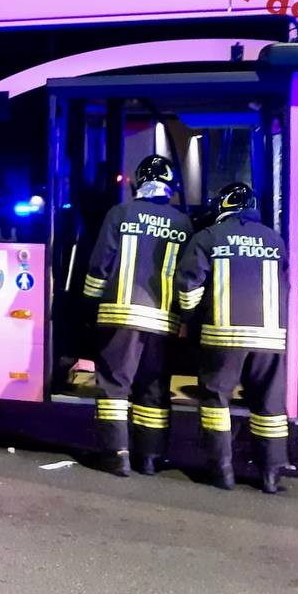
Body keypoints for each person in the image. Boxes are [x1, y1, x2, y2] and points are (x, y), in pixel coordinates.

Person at [175, 182, 290, 494]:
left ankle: (221, 471)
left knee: (215, 400)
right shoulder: (275, 240)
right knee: (268, 405)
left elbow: (188, 287)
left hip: (223, 336)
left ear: (223, 206)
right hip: (270, 338)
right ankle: (271, 474)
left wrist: (189, 319)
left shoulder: (209, 237)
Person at [82, 154, 192, 476]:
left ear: (138, 183)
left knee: (115, 386)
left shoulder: (120, 214)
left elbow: (99, 263)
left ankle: (116, 455)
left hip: (120, 316)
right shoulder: (183, 223)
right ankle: (149, 458)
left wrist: (89, 305)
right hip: (162, 322)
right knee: (154, 389)